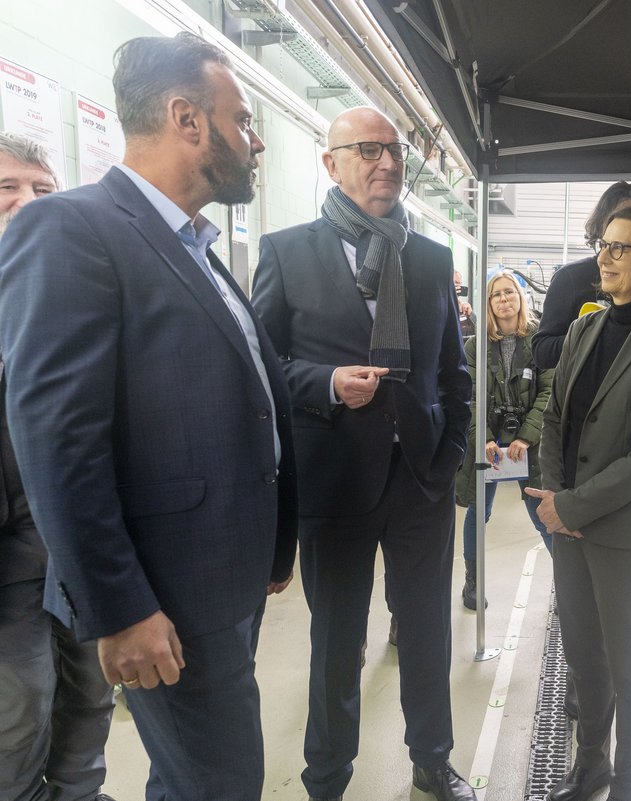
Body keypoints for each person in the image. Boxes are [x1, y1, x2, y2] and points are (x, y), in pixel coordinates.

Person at [0, 34, 298, 801]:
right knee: (222, 784)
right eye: (243, 120)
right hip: (161, 592)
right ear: (186, 119)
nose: (255, 140)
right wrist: (121, 609)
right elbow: (59, 439)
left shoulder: (194, 245)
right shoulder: (71, 230)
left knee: (198, 779)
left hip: (217, 580)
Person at [251, 106, 474, 801]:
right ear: (331, 163)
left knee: (429, 631)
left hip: (420, 482)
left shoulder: (432, 258)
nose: (386, 162)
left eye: (396, 151)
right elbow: (260, 367)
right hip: (335, 480)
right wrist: (323, 383)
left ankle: (432, 761)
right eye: (368, 149)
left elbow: (454, 371)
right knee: (337, 642)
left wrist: (449, 453)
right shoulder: (287, 251)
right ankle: (327, 777)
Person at [527, 206, 631, 801]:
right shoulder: (583, 328)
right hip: (568, 522)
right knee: (583, 657)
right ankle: (590, 765)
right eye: (605, 244)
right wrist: (555, 499)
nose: (604, 257)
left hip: (623, 531)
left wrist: (572, 507)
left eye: (620, 249)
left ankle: (629, 787)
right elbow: (554, 419)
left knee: (628, 665)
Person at [0, 133, 117, 801]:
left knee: (91, 686)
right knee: (20, 704)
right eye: (8, 188)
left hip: (75, 537)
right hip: (7, 550)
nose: (28, 202)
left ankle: (78, 790)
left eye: (43, 190)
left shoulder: (79, 295)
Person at [454, 270, 553, 610]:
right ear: (489, 303)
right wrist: (484, 438)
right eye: (496, 295)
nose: (504, 300)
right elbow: (469, 396)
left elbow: (549, 391)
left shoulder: (540, 339)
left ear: (520, 297)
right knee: (477, 510)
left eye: (509, 292)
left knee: (541, 509)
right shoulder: (475, 344)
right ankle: (472, 582)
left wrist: (526, 437)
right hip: (489, 442)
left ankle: (567, 582)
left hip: (531, 440)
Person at [530, 180, 631, 370]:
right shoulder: (571, 278)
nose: (629, 227)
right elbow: (542, 352)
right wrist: (594, 337)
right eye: (622, 218)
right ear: (604, 224)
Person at [454, 269, 477, 337]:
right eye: (455, 283)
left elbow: (480, 331)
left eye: (459, 283)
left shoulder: (464, 308)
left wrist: (471, 314)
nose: (458, 286)